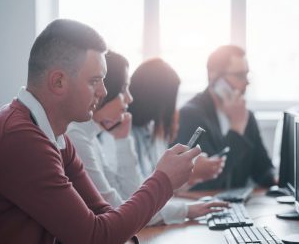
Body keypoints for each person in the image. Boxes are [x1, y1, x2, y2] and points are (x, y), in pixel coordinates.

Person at [0, 19, 201, 244]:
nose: (103, 91)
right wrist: (164, 181)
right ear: (58, 82)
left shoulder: (57, 136)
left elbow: (103, 211)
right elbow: (93, 236)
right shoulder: (21, 139)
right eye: (95, 81)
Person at [67, 52, 228, 226]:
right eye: (123, 90)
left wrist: (123, 140)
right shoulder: (79, 137)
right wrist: (186, 210)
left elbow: (131, 198)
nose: (129, 99)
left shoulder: (91, 138)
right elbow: (123, 207)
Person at [173, 45, 276, 190]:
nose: (247, 82)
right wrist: (236, 129)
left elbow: (263, 171)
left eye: (247, 75)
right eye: (240, 75)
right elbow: (206, 182)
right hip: (204, 204)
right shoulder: (191, 115)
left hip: (238, 206)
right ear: (214, 77)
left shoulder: (247, 116)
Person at [128, 58, 225, 187]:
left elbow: (159, 190)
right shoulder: (127, 136)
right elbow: (144, 193)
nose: (173, 108)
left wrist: (190, 176)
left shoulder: (152, 131)